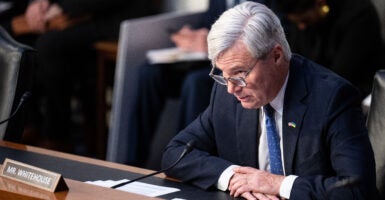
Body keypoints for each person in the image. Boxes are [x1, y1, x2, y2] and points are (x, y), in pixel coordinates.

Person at [161, 2, 378, 199]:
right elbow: (176, 153)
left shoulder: (332, 97)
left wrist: (277, 184)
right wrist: (233, 177)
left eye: (239, 73)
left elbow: (357, 189)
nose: (231, 88)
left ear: (276, 56)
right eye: (223, 75)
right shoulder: (227, 96)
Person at [109, 0, 276, 168]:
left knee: (195, 82)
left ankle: (184, 158)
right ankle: (131, 162)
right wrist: (191, 36)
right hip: (202, 59)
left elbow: (270, 37)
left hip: (232, 65)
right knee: (149, 73)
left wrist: (210, 45)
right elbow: (206, 24)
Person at [27, 0, 150, 154]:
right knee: (19, 39)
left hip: (117, 17)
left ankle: (56, 137)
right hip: (75, 16)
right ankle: (30, 125)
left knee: (50, 45)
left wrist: (63, 7)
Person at [279, 0, 385, 99]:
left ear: (320, 4)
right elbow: (294, 61)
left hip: (360, 93)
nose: (301, 27)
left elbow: (341, 75)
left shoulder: (359, 16)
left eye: (305, 20)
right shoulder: (307, 22)